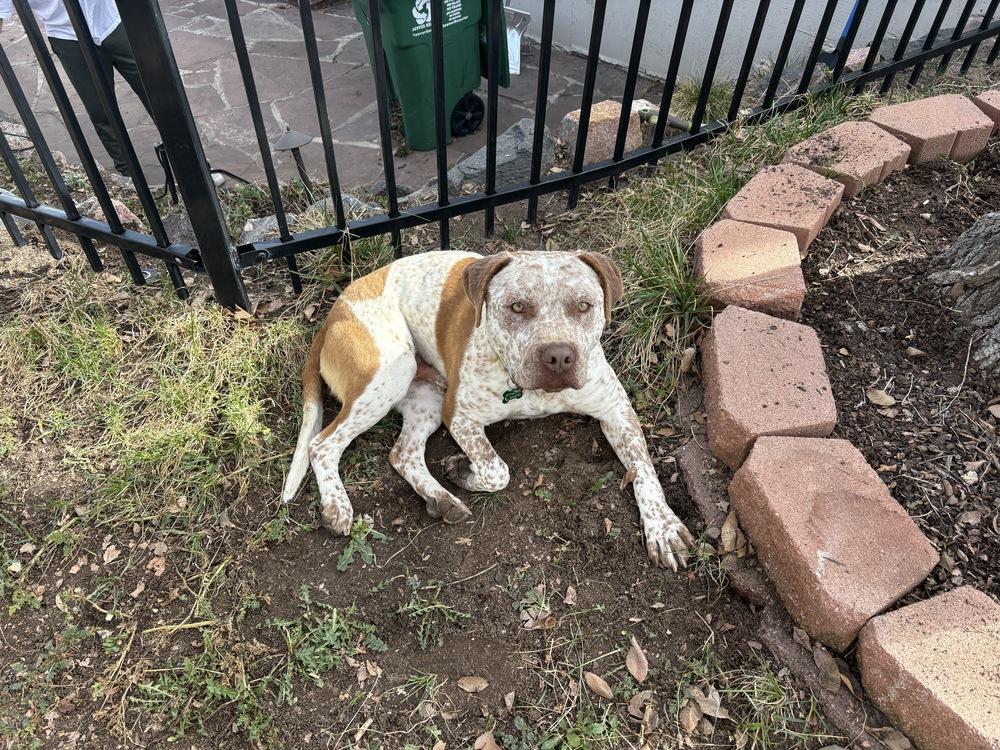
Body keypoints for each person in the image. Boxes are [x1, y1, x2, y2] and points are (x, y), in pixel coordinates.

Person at [0, 0, 224, 187]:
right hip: (67, 36)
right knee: (101, 112)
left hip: (114, 20)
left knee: (158, 93)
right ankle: (131, 181)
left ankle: (195, 168)